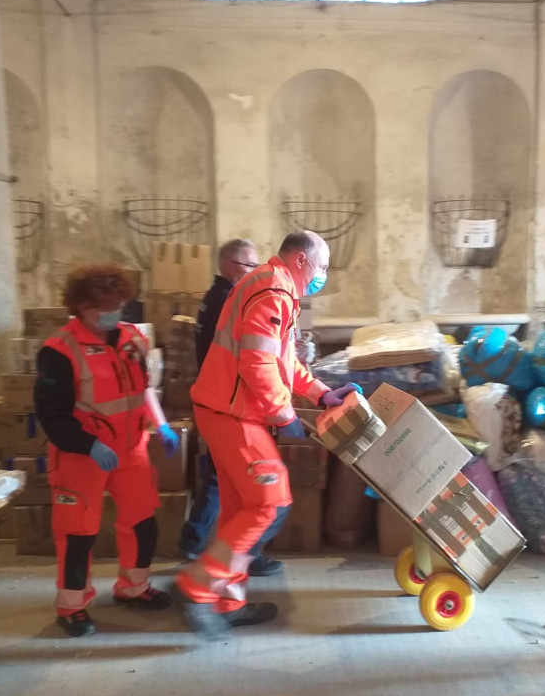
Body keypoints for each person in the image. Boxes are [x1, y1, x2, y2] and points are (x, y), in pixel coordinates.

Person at [174, 231, 360, 639]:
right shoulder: (272, 291)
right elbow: (256, 363)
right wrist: (283, 414)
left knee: (241, 509)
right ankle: (198, 585)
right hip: (233, 415)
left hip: (228, 410)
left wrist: (321, 393)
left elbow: (283, 362)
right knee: (270, 504)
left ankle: (228, 603)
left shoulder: (274, 289)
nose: (323, 276)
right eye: (322, 267)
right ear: (300, 261)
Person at [35, 263, 180, 637]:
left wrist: (162, 424)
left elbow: (143, 388)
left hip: (131, 449)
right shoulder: (59, 351)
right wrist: (89, 444)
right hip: (81, 456)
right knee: (78, 534)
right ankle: (72, 606)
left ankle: (134, 587)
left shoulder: (133, 338)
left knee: (142, 522)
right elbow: (51, 416)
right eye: (105, 307)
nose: (114, 312)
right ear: (81, 307)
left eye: (119, 304)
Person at [177, 238, 287, 577]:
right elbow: (253, 359)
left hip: (221, 401)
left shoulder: (218, 297)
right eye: (247, 265)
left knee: (227, 483)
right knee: (253, 493)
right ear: (228, 266)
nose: (253, 271)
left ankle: (215, 551)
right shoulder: (229, 299)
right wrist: (280, 408)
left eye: (256, 264)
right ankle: (214, 556)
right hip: (229, 406)